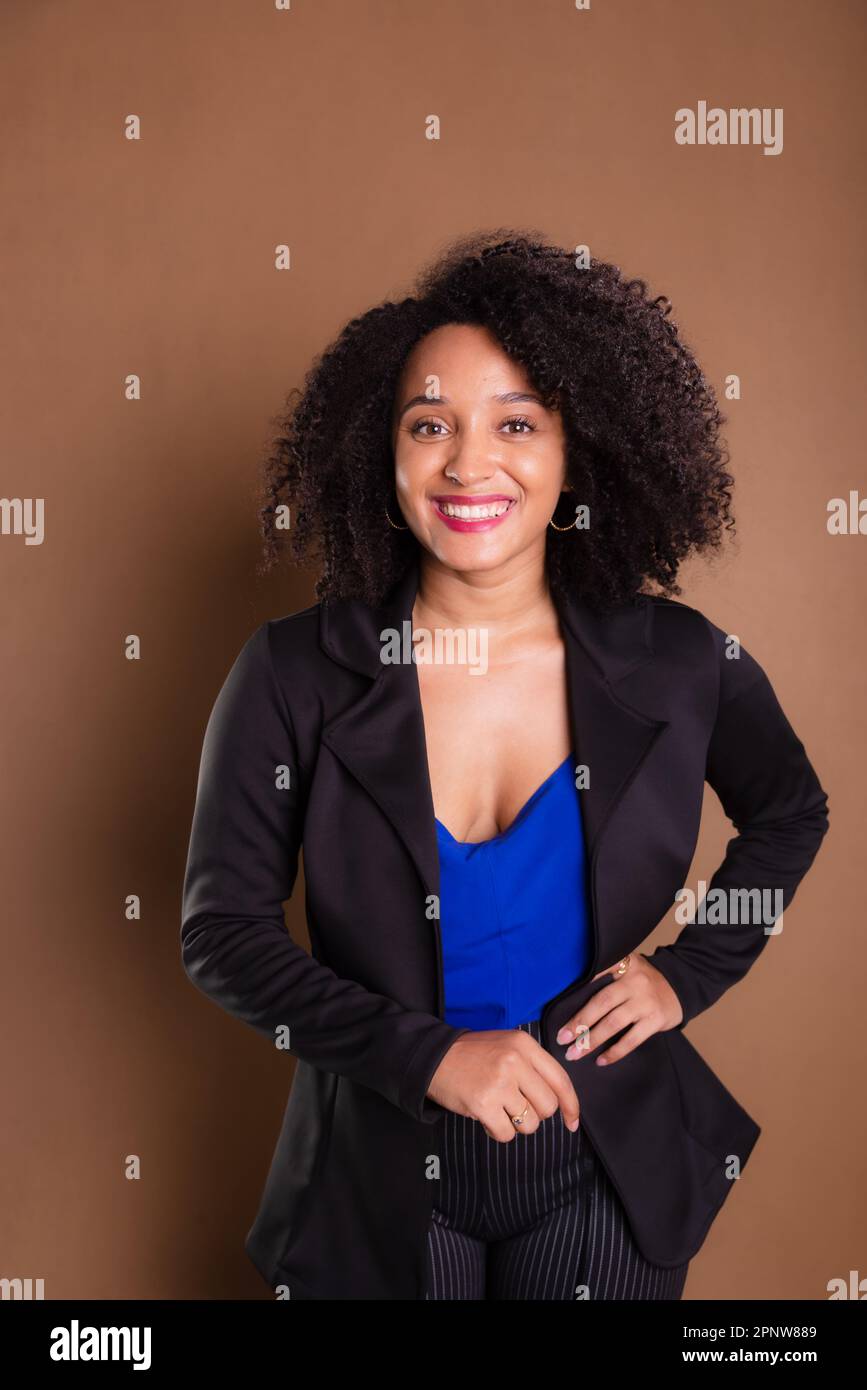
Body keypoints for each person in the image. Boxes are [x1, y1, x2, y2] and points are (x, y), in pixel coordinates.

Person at [180, 230, 829, 1300]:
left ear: (579, 450)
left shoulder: (676, 662)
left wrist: (686, 974)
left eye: (516, 423)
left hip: (605, 1166)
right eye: (429, 423)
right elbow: (223, 932)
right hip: (375, 1166)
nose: (470, 463)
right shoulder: (292, 673)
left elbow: (791, 809)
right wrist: (426, 1054)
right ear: (381, 455)